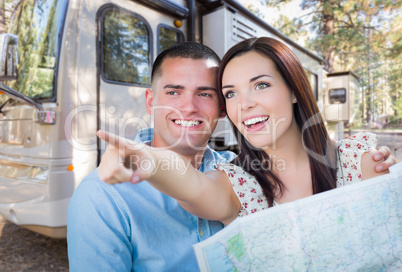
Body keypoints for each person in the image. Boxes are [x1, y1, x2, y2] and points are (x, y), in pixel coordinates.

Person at [68, 41, 394, 271]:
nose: (245, 103)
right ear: (151, 101)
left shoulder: (358, 163)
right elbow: (193, 186)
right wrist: (144, 159)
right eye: (232, 93)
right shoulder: (240, 185)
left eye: (261, 85)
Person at [67, 42, 237, 271]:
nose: (188, 107)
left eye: (205, 93)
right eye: (174, 92)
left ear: (222, 107)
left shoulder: (238, 175)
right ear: (150, 101)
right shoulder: (101, 196)